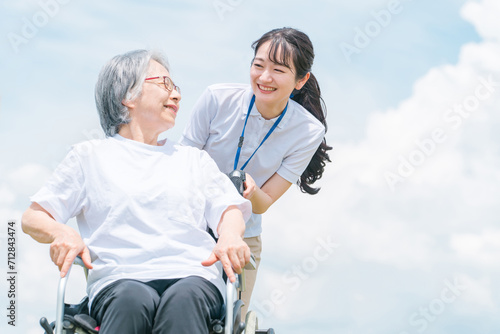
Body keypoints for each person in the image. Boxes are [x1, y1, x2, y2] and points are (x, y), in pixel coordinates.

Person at [21, 49, 252, 334]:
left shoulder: (193, 160)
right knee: (132, 300)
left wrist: (229, 235)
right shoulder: (88, 157)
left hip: (193, 275)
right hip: (120, 278)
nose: (177, 95)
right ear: (127, 96)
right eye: (164, 84)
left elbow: (229, 209)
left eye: (176, 87)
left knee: (184, 300)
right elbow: (33, 217)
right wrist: (63, 233)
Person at [180, 27, 332, 314]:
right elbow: (181, 168)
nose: (264, 77)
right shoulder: (216, 98)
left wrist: (252, 191)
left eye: (278, 70)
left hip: (244, 238)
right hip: (190, 226)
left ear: (301, 80)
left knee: (230, 320)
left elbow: (264, 204)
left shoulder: (308, 131)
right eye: (258, 65)